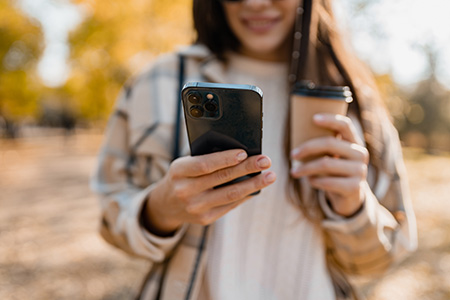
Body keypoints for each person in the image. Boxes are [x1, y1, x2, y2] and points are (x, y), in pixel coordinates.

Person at [91, 0, 417, 299]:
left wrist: (352, 206)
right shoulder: (156, 82)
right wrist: (160, 211)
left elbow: (387, 256)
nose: (256, 3)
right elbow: (109, 220)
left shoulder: (355, 99)